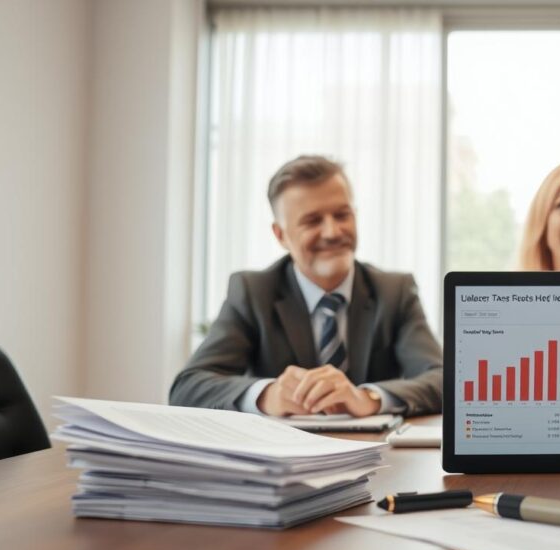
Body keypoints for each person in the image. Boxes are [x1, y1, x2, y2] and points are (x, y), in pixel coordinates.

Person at [170, 155, 442, 417]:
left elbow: (443, 379)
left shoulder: (394, 292)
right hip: (280, 457)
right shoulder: (253, 292)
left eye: (342, 215)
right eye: (312, 221)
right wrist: (268, 395)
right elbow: (188, 387)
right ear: (281, 235)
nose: (332, 232)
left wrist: (369, 397)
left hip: (379, 455)